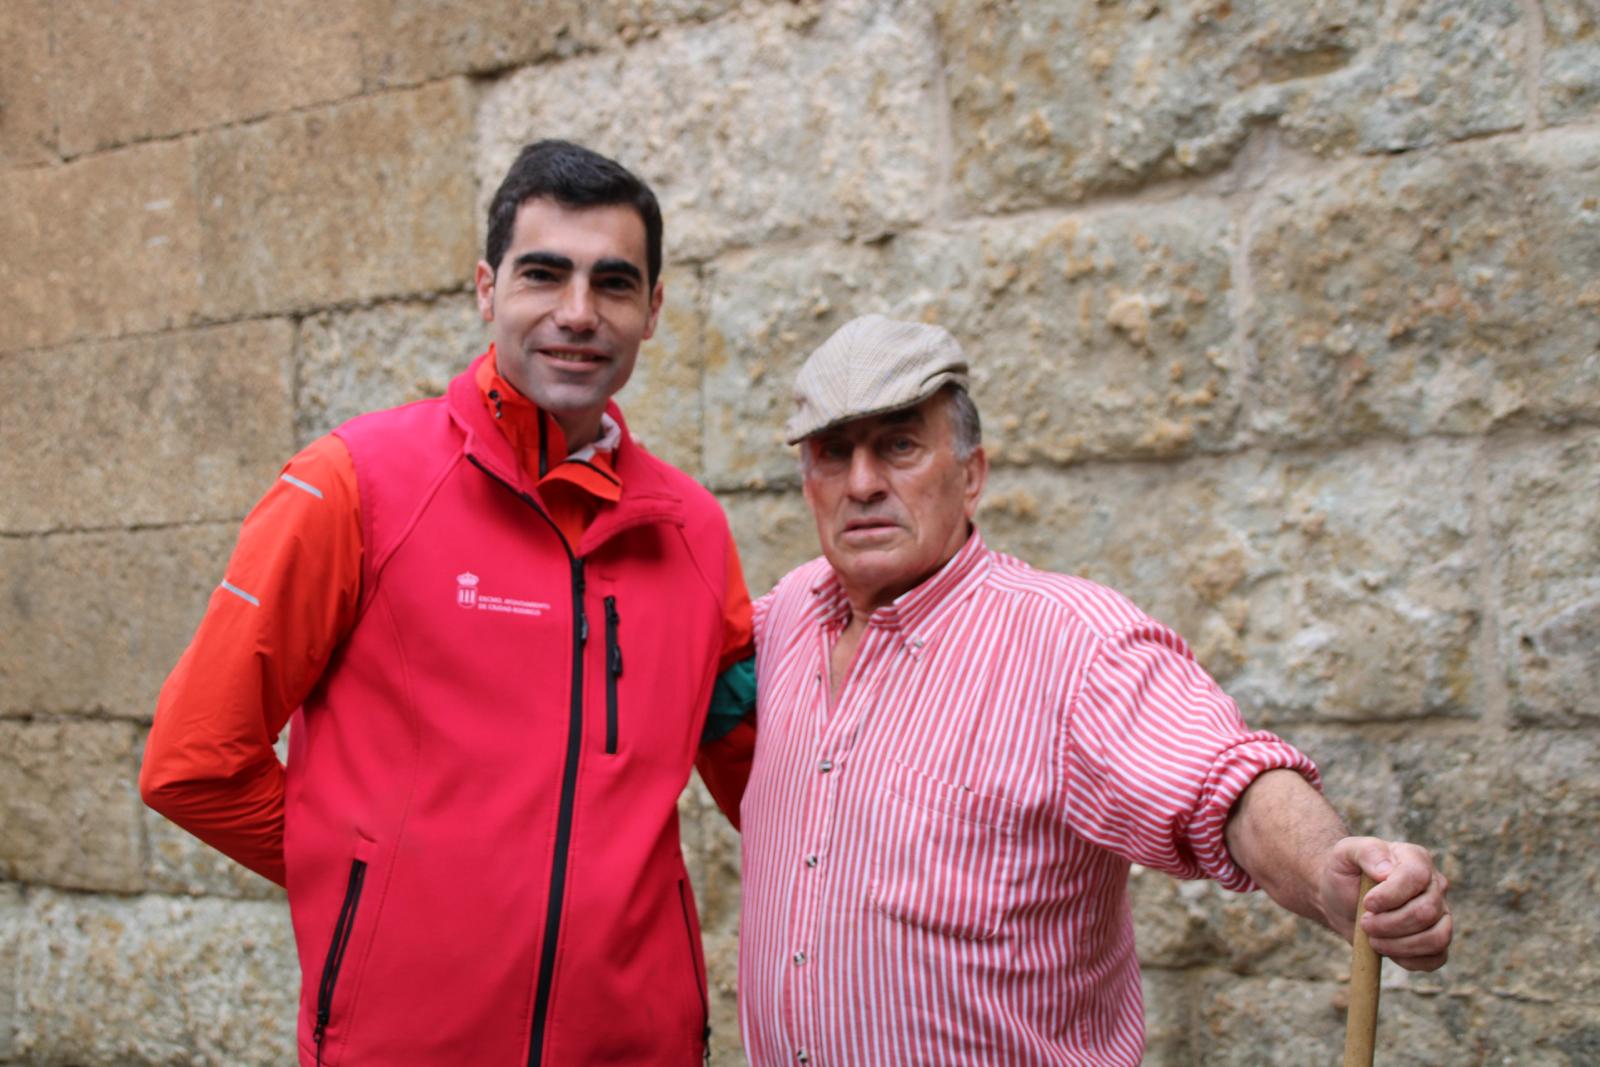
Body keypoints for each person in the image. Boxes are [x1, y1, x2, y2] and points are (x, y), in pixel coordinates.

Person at [140, 140, 756, 1066]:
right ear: (486, 289)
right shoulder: (349, 485)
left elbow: (768, 785)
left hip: (640, 1042)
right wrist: (372, 882)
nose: (578, 314)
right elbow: (194, 762)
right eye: (543, 274)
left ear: (654, 309)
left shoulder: (695, 531)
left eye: (615, 284)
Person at [737, 314, 1453, 1066]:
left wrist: (1325, 868)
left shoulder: (1073, 642)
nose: (862, 482)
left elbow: (1225, 782)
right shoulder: (787, 614)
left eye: (900, 445)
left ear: (971, 473)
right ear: (806, 481)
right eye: (832, 453)